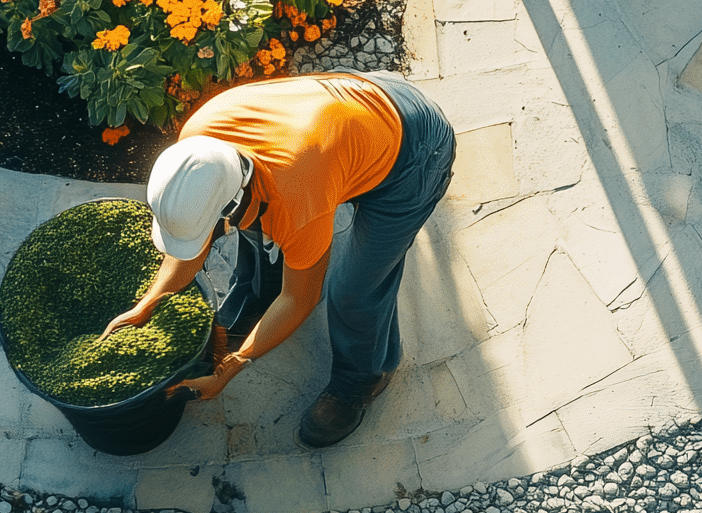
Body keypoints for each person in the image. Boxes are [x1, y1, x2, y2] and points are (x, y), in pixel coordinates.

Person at [107, 70, 458, 450]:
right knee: (264, 228)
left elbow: (300, 299)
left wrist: (232, 366)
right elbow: (193, 244)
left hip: (415, 153)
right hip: (356, 112)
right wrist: (149, 303)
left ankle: (361, 380)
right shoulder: (199, 142)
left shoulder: (296, 201)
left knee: (354, 291)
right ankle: (259, 298)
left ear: (233, 201)